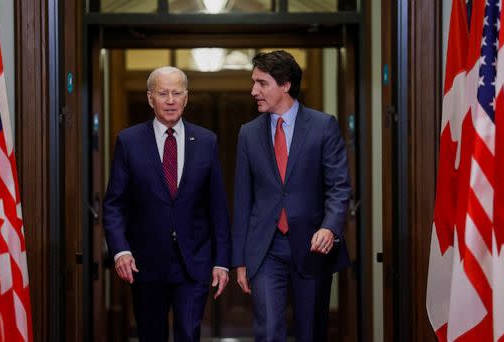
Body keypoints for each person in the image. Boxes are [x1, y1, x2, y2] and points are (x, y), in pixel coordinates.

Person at [103, 66, 231, 342]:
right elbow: (114, 204)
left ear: (186, 97)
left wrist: (222, 262)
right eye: (163, 93)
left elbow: (217, 207)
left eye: (177, 93)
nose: (170, 100)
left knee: (189, 333)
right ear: (151, 99)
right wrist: (120, 250)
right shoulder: (129, 141)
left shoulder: (207, 141)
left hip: (193, 261)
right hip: (145, 262)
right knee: (151, 335)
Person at [232, 50, 352, 341]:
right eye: (254, 83)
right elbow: (242, 200)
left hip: (312, 246)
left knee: (310, 330)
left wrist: (329, 227)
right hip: (265, 248)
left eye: (262, 83)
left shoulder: (323, 125)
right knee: (269, 330)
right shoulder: (248, 133)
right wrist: (240, 260)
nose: (254, 91)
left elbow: (339, 186)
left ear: (285, 84)